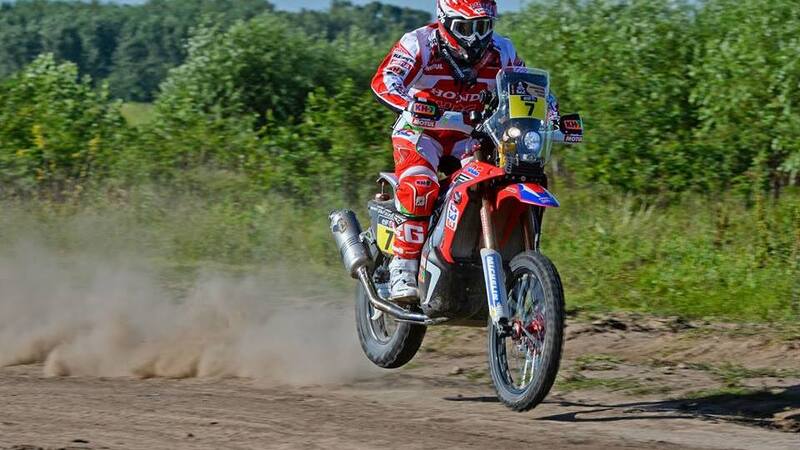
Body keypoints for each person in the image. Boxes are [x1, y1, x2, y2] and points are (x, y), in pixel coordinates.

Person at [371, 0, 558, 301]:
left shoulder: (503, 51)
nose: (475, 38)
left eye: (483, 27)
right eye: (466, 27)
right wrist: (410, 104)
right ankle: (402, 267)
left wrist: (552, 114)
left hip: (468, 138)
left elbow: (531, 90)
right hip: (421, 131)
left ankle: (501, 262)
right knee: (421, 186)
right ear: (445, 21)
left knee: (502, 178)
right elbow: (385, 80)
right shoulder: (419, 43)